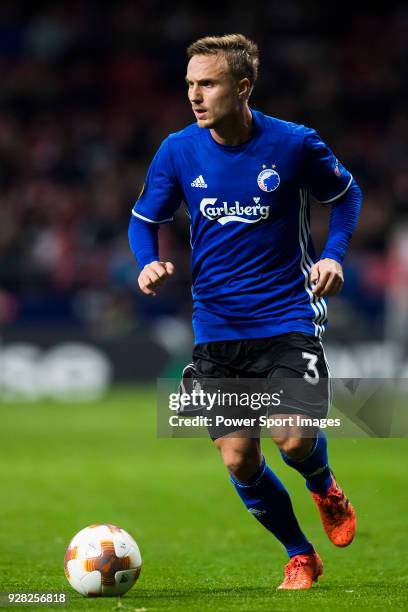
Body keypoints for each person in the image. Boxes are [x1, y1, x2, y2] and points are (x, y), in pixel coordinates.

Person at [128, 34, 361, 590]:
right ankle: (299, 553)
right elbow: (145, 219)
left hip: (287, 315)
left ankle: (323, 484)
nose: (194, 95)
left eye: (206, 83)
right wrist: (147, 262)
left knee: (294, 439)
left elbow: (347, 195)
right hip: (216, 326)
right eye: (189, 84)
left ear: (242, 86)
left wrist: (332, 256)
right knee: (238, 459)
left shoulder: (294, 144)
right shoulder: (178, 150)